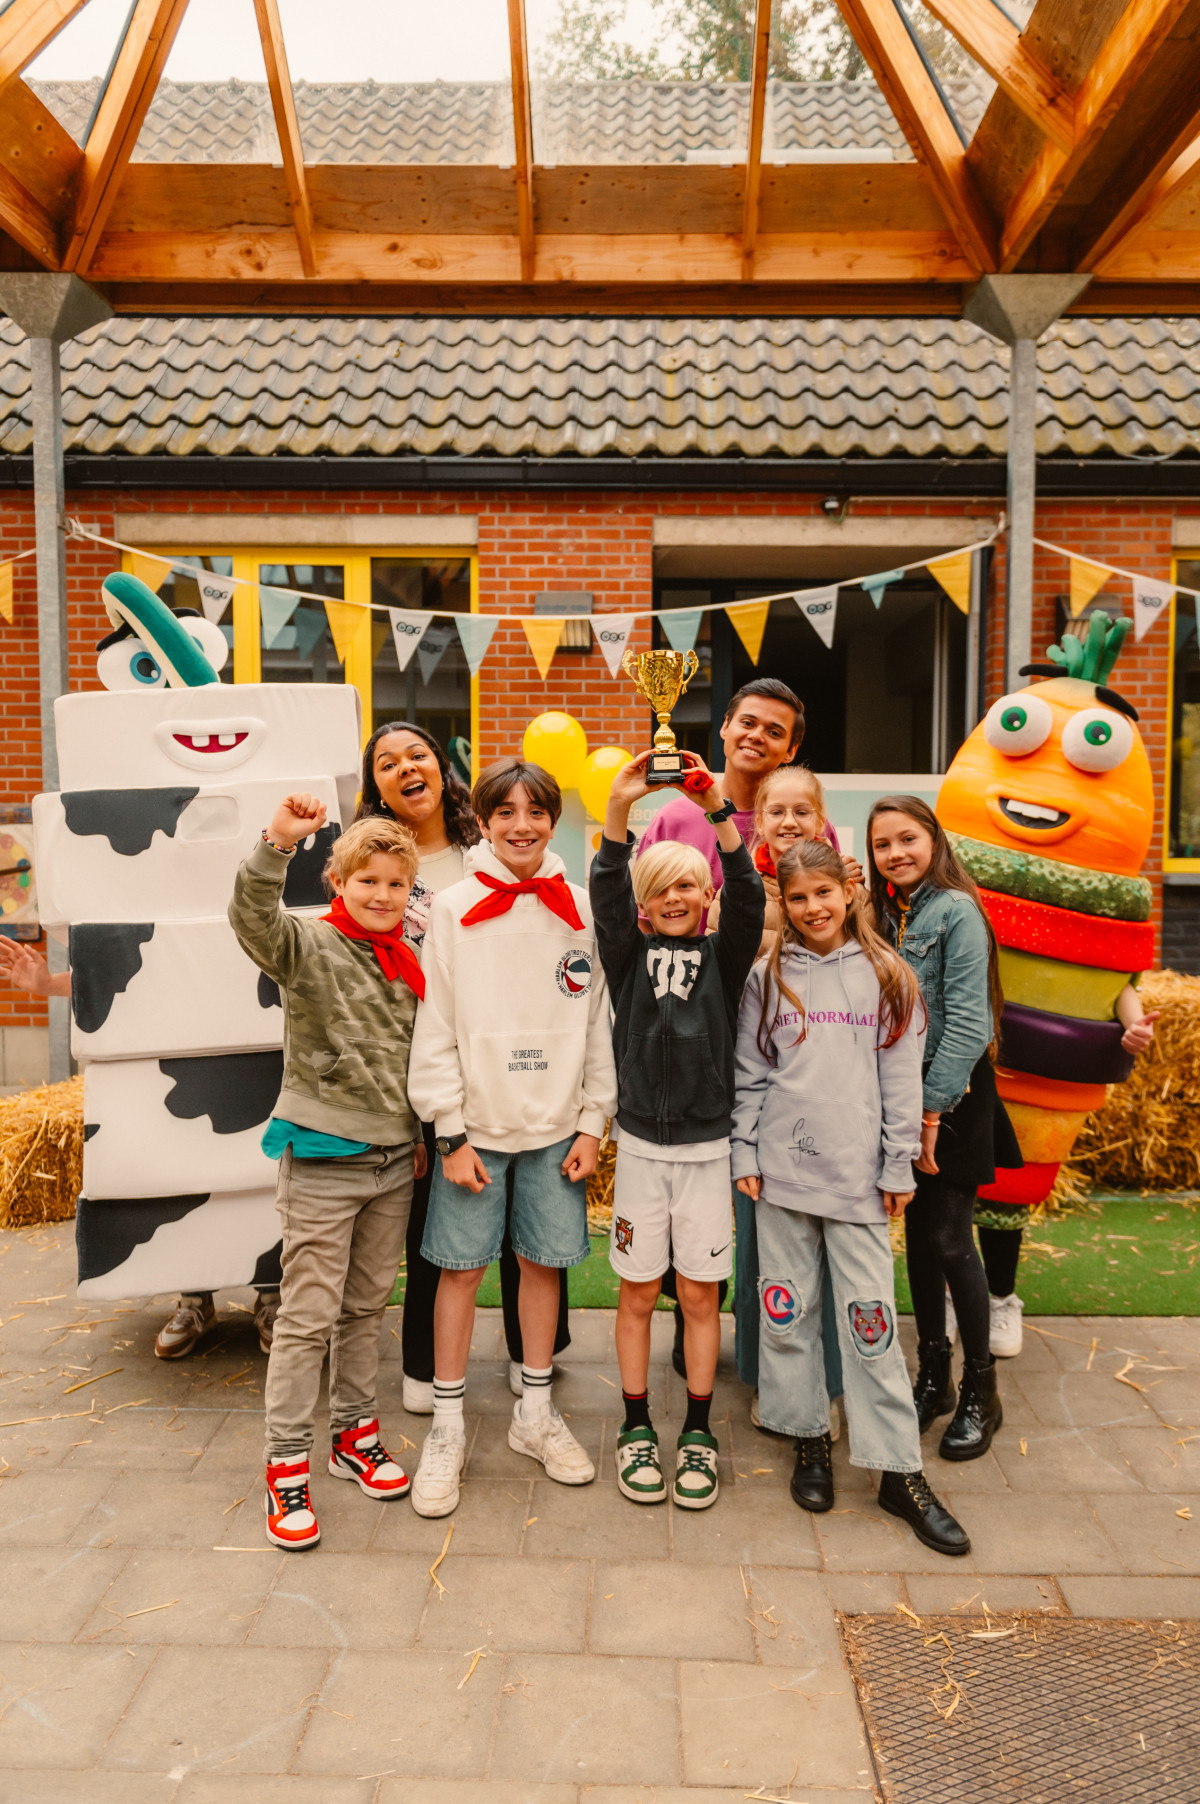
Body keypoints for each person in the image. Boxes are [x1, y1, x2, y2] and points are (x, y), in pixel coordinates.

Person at [731, 838, 969, 1556]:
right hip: (781, 1178)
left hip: (860, 1181)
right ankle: (809, 1438)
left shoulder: (888, 977)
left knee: (870, 1324)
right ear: (784, 901)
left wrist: (898, 1166)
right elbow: (750, 1072)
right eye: (797, 899)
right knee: (786, 1313)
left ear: (848, 893)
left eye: (822, 895)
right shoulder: (766, 978)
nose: (811, 910)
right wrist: (745, 1149)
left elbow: (900, 1083)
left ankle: (897, 1469)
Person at [406, 758, 617, 1518]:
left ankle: (534, 1412)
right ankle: (449, 1423)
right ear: (485, 821)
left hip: (556, 1129)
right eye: (506, 812)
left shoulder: (583, 909)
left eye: (536, 811)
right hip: (477, 1131)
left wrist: (594, 1121)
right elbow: (435, 1027)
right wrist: (450, 1130)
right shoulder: (453, 908)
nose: (521, 825)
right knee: (458, 1272)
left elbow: (598, 1021)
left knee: (541, 1266)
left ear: (553, 819)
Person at [354, 721, 571, 1409]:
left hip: (507, 1054)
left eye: (416, 753)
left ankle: (530, 1352)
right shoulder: (376, 861)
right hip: (418, 1055)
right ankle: (426, 1364)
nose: (405, 767)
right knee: (441, 1219)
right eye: (387, 762)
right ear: (377, 786)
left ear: (440, 768)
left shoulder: (490, 849)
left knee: (527, 1212)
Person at [229, 802, 426, 1550]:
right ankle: (285, 1465)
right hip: (322, 1159)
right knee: (306, 1318)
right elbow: (251, 915)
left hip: (391, 1160)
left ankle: (353, 1434)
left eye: (396, 884)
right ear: (338, 880)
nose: (382, 895)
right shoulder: (307, 944)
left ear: (410, 891)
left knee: (366, 1308)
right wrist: (278, 842)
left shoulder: (410, 958)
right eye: (367, 881)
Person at [590, 750, 764, 1509]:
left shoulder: (723, 959)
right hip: (637, 1152)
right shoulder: (626, 956)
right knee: (634, 1296)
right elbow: (604, 889)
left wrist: (719, 811)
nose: (673, 897)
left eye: (687, 884)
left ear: (705, 895)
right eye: (659, 889)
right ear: (645, 899)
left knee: (699, 1296)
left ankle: (696, 1430)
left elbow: (751, 892)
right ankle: (636, 1428)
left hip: (704, 1152)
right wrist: (618, 813)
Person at [0, 938, 282, 1361]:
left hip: (260, 1052)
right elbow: (132, 972)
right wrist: (47, 984)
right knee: (181, 1173)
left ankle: (273, 1296)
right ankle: (194, 1299)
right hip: (174, 1061)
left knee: (263, 1168)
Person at [867, 795, 1017, 1462]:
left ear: (933, 838)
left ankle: (983, 1389)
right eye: (882, 845)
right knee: (920, 1243)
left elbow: (967, 1025)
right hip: (901, 1099)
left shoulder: (955, 911)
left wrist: (929, 1111)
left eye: (907, 839)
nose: (895, 854)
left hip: (950, 1099)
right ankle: (935, 1374)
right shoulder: (887, 914)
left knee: (953, 1239)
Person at [977, 963, 1158, 1356]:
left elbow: (1111, 985)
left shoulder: (1097, 939)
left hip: (1040, 1081)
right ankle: (952, 1295)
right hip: (970, 1056)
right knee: (948, 1194)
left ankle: (1000, 1298)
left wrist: (1133, 1026)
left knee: (1008, 1192)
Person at [707, 763, 862, 950]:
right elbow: (717, 961)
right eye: (776, 812)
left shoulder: (849, 885)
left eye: (802, 812)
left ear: (821, 822)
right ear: (760, 823)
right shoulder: (737, 891)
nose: (789, 822)